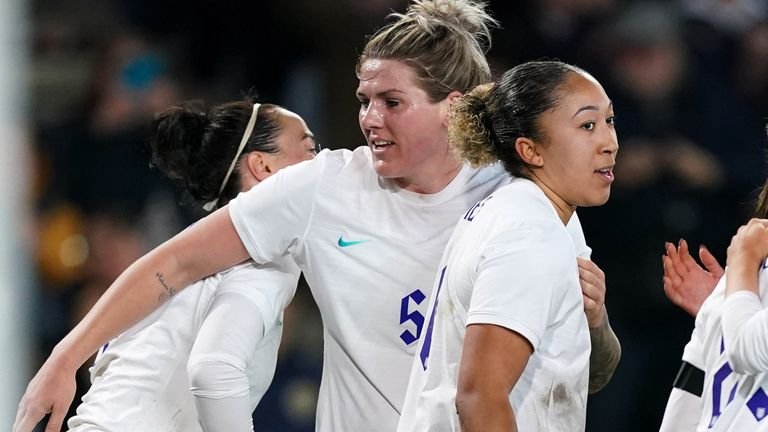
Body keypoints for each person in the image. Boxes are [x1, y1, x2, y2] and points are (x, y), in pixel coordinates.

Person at [14, 2, 620, 432]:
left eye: (391, 102)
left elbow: (591, 373)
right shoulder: (324, 187)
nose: (369, 119)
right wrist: (63, 364)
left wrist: (593, 324)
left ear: (451, 107)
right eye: (363, 101)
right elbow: (172, 264)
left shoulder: (520, 201)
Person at [65, 99, 317, 432]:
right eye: (310, 149)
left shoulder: (186, 265)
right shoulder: (263, 261)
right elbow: (214, 369)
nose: (322, 163)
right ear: (262, 166)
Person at [396, 60, 617, 431]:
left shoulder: (537, 215)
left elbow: (591, 375)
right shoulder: (528, 232)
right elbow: (480, 397)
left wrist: (596, 321)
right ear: (530, 151)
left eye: (609, 121)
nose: (609, 143)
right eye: (587, 126)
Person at [659, 126, 768, 431]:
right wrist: (726, 303)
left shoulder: (748, 259)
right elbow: (691, 389)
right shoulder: (745, 280)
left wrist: (742, 262)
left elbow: (748, 350)